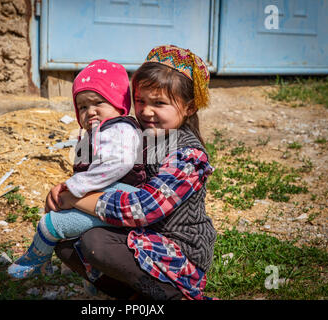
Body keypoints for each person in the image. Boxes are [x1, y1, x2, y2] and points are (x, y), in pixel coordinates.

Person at [51, 45, 217, 300]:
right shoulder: (131, 135)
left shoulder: (188, 156)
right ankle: (136, 297)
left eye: (159, 103)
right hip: (142, 235)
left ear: (190, 107)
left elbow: (143, 209)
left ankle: (174, 296)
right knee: (65, 243)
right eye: (140, 101)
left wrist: (75, 198)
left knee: (96, 243)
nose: (147, 111)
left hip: (178, 250)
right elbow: (102, 174)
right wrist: (65, 189)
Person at [7, 59, 146, 279]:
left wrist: (74, 187)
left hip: (124, 199)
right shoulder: (98, 132)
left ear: (119, 103)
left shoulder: (118, 128)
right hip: (108, 198)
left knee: (52, 225)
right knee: (79, 235)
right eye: (82, 106)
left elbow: (118, 163)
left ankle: (35, 261)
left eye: (98, 102)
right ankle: (97, 277)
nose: (90, 111)